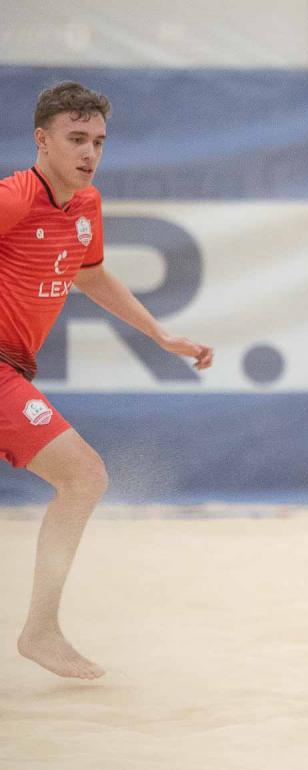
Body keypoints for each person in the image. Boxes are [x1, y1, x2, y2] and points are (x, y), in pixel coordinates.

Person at [1, 82, 213, 680]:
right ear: (41, 140)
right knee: (84, 476)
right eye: (76, 139)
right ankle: (40, 631)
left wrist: (159, 335)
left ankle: (40, 630)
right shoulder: (14, 199)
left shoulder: (86, 204)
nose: (89, 152)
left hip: (12, 368)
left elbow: (90, 276)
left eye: (98, 141)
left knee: (82, 479)